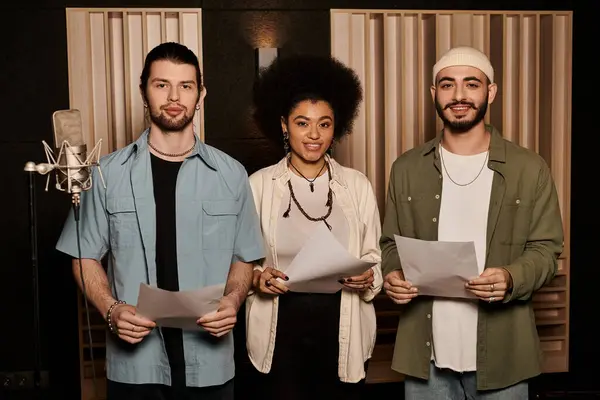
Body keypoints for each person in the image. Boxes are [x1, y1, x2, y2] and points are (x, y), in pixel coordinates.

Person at [56, 42, 265, 400]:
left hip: (211, 365)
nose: (174, 96)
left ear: (201, 94)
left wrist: (233, 301)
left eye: (185, 86)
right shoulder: (106, 174)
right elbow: (83, 255)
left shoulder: (231, 174)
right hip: (135, 367)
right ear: (144, 91)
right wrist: (111, 309)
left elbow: (244, 256)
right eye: (161, 84)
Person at [380, 46, 564, 399]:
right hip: (426, 357)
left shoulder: (530, 168)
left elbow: (546, 251)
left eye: (472, 84)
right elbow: (390, 244)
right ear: (435, 94)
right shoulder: (406, 168)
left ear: (490, 92)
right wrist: (393, 275)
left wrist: (512, 277)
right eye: (448, 85)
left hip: (504, 356)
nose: (460, 95)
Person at [244, 54, 383, 399]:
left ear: (337, 127)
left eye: (324, 124)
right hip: (280, 331)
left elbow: (375, 256)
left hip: (343, 326)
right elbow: (239, 263)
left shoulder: (357, 185)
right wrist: (257, 277)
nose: (313, 134)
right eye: (302, 123)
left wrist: (368, 277)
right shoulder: (258, 185)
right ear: (283, 125)